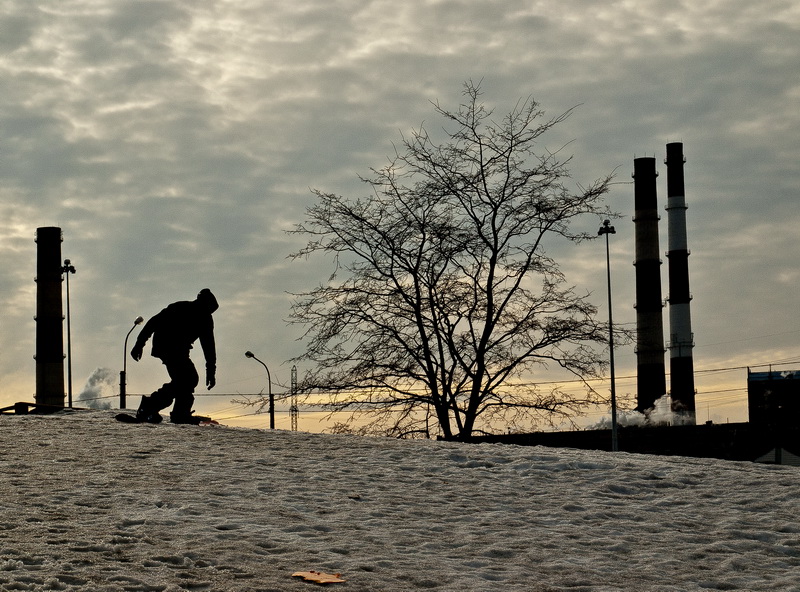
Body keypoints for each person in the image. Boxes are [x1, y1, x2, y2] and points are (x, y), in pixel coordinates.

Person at [130, 288, 218, 424]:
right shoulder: (180, 307)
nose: (209, 313)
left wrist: (211, 370)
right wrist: (139, 344)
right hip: (167, 346)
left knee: (185, 380)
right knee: (188, 379)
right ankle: (153, 407)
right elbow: (154, 322)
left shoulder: (204, 318)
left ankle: (176, 413)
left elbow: (208, 346)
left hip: (177, 349)